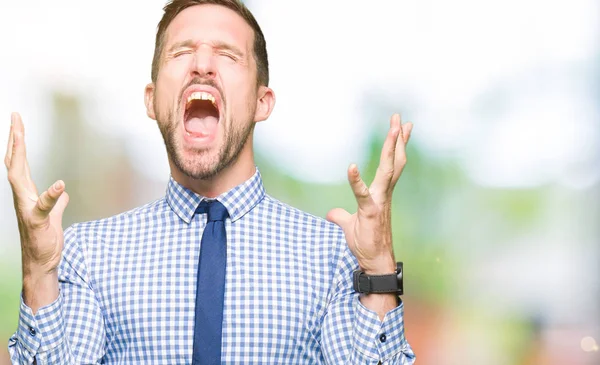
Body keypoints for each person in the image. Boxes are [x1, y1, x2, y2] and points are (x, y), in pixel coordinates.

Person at [6, 0, 416, 363]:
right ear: (151, 100)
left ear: (262, 102)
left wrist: (379, 266)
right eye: (181, 52)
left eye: (228, 55)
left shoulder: (332, 258)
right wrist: (38, 273)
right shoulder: (88, 255)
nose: (202, 65)